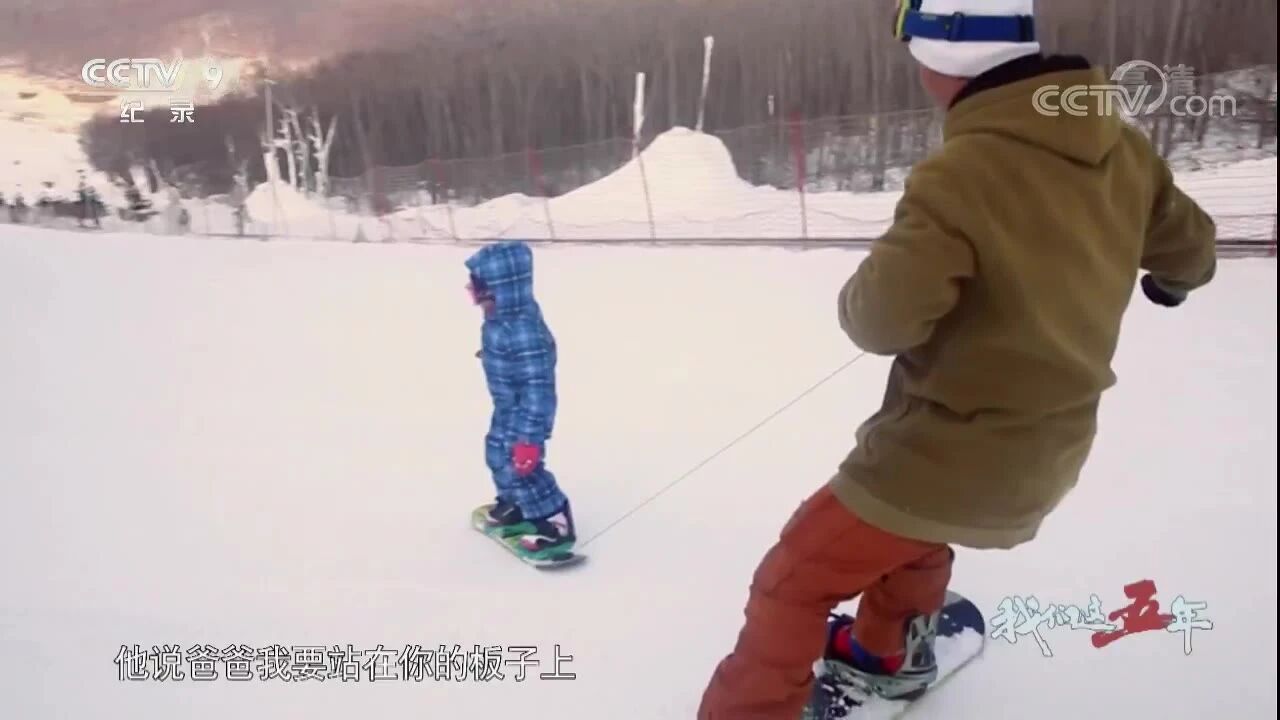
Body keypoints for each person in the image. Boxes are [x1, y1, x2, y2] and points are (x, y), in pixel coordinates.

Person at [697, 0, 1217, 717]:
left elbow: (880, 321)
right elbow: (1190, 249)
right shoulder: (1122, 147)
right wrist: (1173, 282)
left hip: (941, 448)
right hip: (1046, 450)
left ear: (944, 57)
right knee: (910, 527)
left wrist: (860, 295)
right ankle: (887, 652)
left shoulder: (962, 173)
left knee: (793, 581)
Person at [465, 240, 576, 558]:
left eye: (478, 291)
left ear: (500, 290)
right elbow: (508, 352)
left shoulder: (523, 330)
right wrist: (492, 356)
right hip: (506, 405)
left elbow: (539, 389)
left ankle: (554, 522)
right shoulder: (500, 319)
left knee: (523, 466)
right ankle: (514, 505)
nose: (473, 297)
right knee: (496, 453)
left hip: (527, 412)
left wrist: (529, 439)